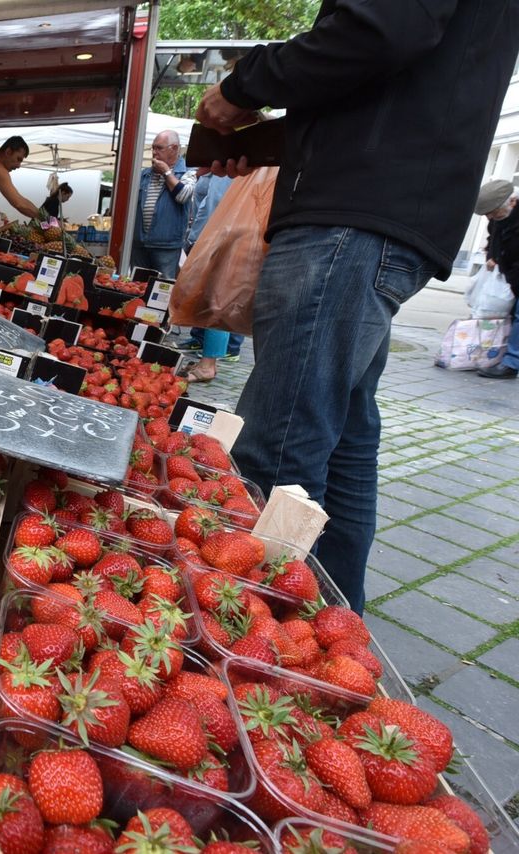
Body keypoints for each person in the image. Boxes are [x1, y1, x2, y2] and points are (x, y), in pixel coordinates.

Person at [194, 0, 519, 613]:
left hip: (350, 221)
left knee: (278, 445)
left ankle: (248, 646)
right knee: (342, 437)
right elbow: (397, 75)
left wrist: (244, 84)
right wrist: (281, 142)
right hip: (386, 213)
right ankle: (333, 623)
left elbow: (383, 28)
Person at [179, 172, 244, 364]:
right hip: (228, 238)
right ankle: (210, 345)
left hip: (219, 238)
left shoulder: (225, 174)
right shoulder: (219, 173)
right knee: (214, 295)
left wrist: (194, 239)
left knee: (217, 297)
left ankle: (216, 355)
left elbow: (211, 206)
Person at [130, 130, 196, 280]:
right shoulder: (145, 174)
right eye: (153, 148)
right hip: (140, 244)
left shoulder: (187, 172)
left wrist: (166, 172)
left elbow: (183, 195)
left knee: (161, 292)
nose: (154, 152)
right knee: (135, 288)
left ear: (174, 148)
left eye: (159, 148)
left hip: (167, 247)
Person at [476, 179, 519, 379]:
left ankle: (511, 363)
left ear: (512, 202)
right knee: (506, 317)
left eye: (493, 213)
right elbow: (493, 238)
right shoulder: (498, 219)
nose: (490, 217)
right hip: (509, 273)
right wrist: (491, 256)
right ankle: (496, 355)